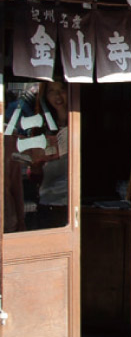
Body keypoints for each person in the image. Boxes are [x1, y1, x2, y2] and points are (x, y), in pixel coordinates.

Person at [33, 82, 69, 229]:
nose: (57, 96)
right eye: (51, 91)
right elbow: (35, 173)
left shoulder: (79, 121)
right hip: (48, 199)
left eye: (62, 90)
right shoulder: (42, 125)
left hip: (72, 199)